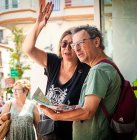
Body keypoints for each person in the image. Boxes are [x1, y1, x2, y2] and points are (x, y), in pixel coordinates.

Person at [39, 25, 122, 140]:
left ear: (96, 42)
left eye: (80, 43)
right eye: (74, 45)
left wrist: (55, 116)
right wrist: (68, 108)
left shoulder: (98, 71)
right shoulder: (107, 65)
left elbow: (87, 112)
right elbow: (90, 106)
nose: (76, 49)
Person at [22, 2, 90, 140]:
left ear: (77, 47)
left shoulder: (85, 69)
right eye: (64, 44)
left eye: (71, 44)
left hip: (70, 133)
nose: (67, 48)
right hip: (46, 128)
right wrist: (39, 25)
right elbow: (28, 49)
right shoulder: (53, 62)